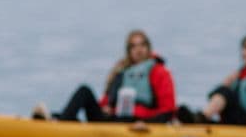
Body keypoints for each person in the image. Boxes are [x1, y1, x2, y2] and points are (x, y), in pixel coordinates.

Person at [34, 29, 176, 122]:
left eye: (142, 45)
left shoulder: (159, 72)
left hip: (138, 121)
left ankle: (58, 121)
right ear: (129, 51)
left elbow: (168, 109)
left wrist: (144, 123)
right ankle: (56, 119)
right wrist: (104, 108)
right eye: (133, 46)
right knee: (84, 91)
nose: (138, 49)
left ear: (148, 47)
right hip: (113, 119)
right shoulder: (121, 72)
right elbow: (107, 101)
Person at [179, 32, 246, 131]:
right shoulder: (238, 76)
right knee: (223, 91)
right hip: (234, 122)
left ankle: (200, 118)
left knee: (226, 93)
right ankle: (199, 120)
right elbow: (213, 97)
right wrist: (225, 83)